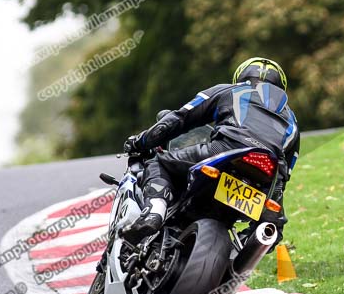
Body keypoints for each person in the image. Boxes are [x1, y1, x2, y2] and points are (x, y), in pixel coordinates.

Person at [119, 57, 299, 246]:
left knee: (160, 163)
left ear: (241, 75)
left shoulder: (230, 90)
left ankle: (154, 212)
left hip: (227, 149)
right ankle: (241, 252)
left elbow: (178, 119)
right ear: (281, 85)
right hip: (267, 173)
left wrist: (140, 142)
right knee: (272, 226)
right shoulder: (292, 119)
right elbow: (288, 170)